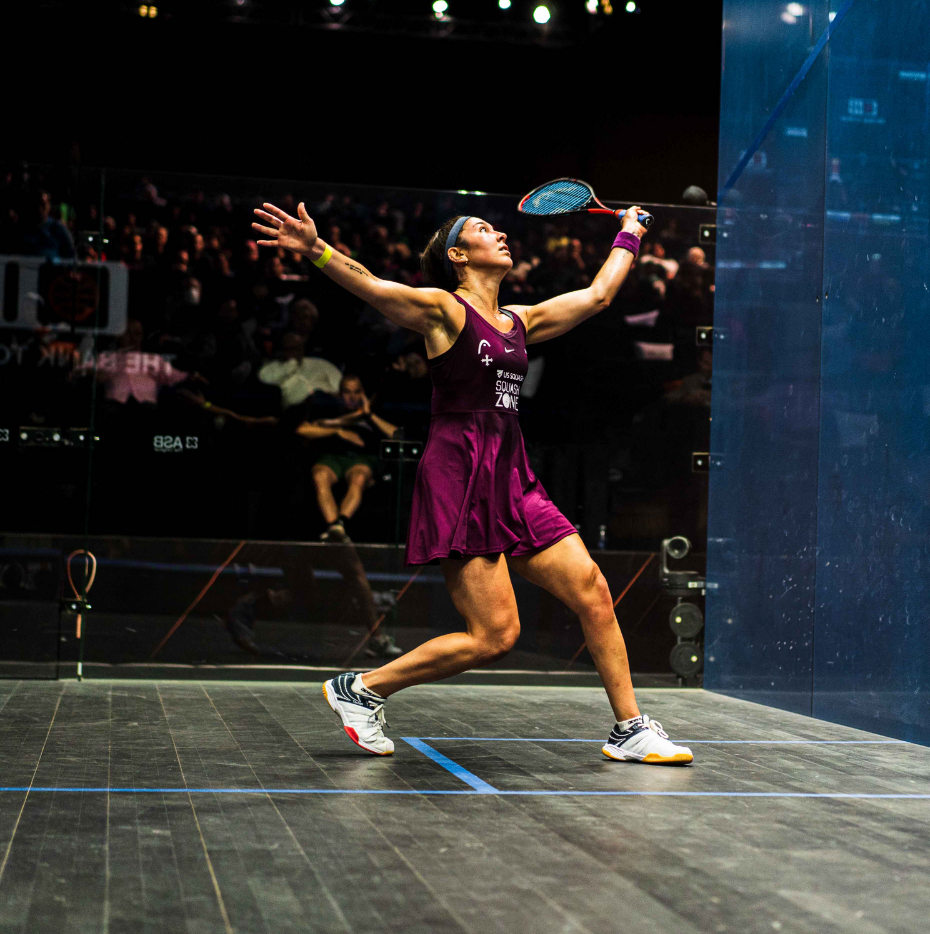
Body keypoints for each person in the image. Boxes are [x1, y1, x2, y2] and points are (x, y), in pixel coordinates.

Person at [253, 200, 692, 766]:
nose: (500, 233)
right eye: (485, 230)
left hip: (514, 476)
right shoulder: (444, 311)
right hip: (459, 475)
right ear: (458, 256)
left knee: (594, 591)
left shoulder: (519, 321)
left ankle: (629, 728)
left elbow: (597, 297)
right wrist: (317, 249)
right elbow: (377, 288)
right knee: (494, 636)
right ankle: (360, 690)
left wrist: (630, 232)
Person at [297, 374, 400, 542]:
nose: (352, 397)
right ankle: (335, 529)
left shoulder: (375, 413)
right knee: (319, 476)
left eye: (356, 392)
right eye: (346, 392)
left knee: (358, 477)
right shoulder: (329, 410)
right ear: (339, 394)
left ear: (363, 393)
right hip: (333, 457)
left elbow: (399, 436)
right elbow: (305, 428)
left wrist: (369, 414)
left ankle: (338, 525)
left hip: (362, 458)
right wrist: (339, 429)